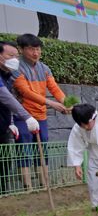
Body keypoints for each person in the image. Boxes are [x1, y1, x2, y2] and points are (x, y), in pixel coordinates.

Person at [11, 34, 68, 191]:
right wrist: (51, 103)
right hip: (22, 115)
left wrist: (66, 103)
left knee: (42, 147)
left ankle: (45, 185)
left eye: (37, 49)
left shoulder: (45, 68)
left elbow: (54, 88)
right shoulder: (16, 67)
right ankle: (27, 187)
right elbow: (26, 92)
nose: (35, 53)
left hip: (41, 115)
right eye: (31, 49)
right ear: (21, 50)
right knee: (24, 147)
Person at [0, 41, 39, 194]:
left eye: (16, 56)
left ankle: (3, 195)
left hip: (2, 126)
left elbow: (7, 102)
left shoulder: (7, 75)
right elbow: (5, 97)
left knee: (4, 162)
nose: (15, 59)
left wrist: (10, 122)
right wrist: (27, 117)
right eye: (10, 56)